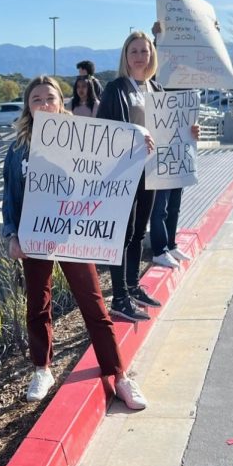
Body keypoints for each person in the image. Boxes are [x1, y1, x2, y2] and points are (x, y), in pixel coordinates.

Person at [1, 76, 147, 409]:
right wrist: (11, 234)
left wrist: (139, 143)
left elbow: (111, 167)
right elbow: (9, 196)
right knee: (37, 305)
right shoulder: (18, 147)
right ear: (28, 105)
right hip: (36, 234)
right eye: (36, 98)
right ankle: (42, 368)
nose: (43, 104)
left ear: (60, 102)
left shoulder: (80, 138)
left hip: (75, 235)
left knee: (94, 305)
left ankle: (120, 376)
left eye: (49, 97)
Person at [95, 31, 164, 321]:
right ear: (125, 55)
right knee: (122, 234)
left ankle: (133, 286)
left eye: (144, 51)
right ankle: (119, 296)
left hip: (150, 171)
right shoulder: (116, 88)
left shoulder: (156, 89)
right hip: (125, 172)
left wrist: (189, 132)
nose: (139, 56)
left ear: (151, 56)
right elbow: (105, 129)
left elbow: (168, 129)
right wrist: (134, 133)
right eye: (133, 51)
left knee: (138, 232)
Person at [149, 20, 193, 268]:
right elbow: (153, 66)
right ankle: (159, 248)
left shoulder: (186, 80)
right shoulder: (158, 81)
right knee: (161, 204)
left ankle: (171, 244)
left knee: (175, 201)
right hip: (161, 148)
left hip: (181, 145)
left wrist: (209, 37)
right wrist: (158, 39)